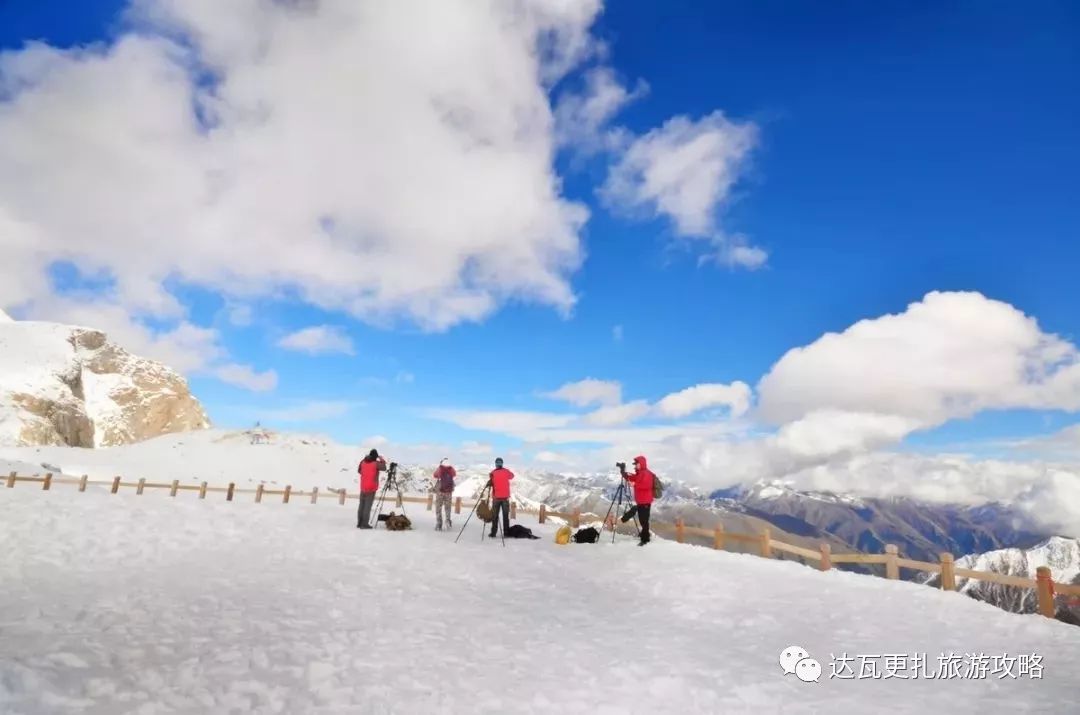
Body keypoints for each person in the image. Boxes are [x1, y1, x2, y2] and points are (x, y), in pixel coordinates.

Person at [621, 455, 655, 545]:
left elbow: (646, 486)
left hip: (645, 501)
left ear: (641, 464)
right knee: (642, 520)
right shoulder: (640, 473)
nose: (635, 465)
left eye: (636, 464)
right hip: (641, 501)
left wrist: (634, 485)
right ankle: (645, 534)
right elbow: (633, 478)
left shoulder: (647, 473)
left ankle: (645, 539)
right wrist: (624, 473)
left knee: (644, 520)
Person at [357, 448, 386, 529]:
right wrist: (381, 459)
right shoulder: (376, 463)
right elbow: (384, 467)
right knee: (367, 507)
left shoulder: (362, 462)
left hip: (363, 487)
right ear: (375, 456)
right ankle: (364, 524)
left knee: (361, 506)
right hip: (371, 488)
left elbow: (359, 471)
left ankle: (359, 523)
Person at [487, 457, 514, 538]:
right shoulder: (506, 471)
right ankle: (506, 533)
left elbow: (491, 480)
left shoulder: (493, 473)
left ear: (495, 464)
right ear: (502, 464)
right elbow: (512, 476)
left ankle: (493, 533)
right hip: (505, 498)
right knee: (505, 516)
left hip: (496, 498)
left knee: (495, 516)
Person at [432, 457, 456, 531]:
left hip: (440, 491)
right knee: (448, 508)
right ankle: (448, 521)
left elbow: (434, 475)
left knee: (438, 508)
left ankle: (439, 524)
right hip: (448, 492)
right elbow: (454, 474)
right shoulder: (451, 469)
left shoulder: (440, 468)